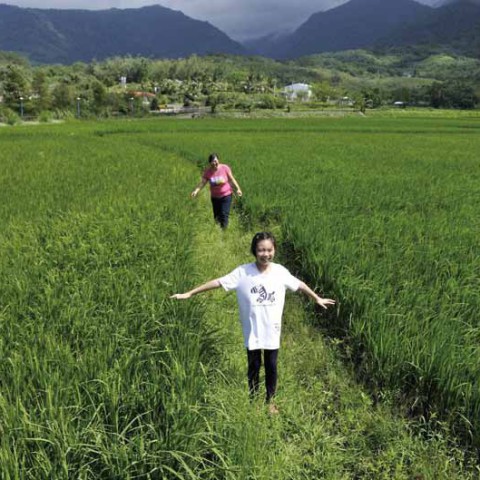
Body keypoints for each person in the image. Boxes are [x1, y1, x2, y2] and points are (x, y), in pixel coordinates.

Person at [171, 231, 335, 414]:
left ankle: (270, 401)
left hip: (272, 328)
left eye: (269, 250)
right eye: (261, 250)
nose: (266, 254)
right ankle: (253, 399)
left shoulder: (280, 272)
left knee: (271, 365)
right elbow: (218, 282)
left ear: (274, 250)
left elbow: (300, 284)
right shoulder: (243, 272)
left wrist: (316, 298)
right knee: (254, 365)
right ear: (254, 251)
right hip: (253, 329)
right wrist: (190, 293)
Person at [191, 153, 242, 229]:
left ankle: (224, 233)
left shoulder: (225, 168)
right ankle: (217, 231)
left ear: (218, 160)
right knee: (217, 216)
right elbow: (203, 183)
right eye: (212, 161)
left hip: (226, 196)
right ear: (210, 163)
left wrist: (238, 189)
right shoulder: (208, 172)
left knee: (224, 214)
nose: (214, 163)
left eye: (215, 161)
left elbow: (231, 179)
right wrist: (196, 191)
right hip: (215, 197)